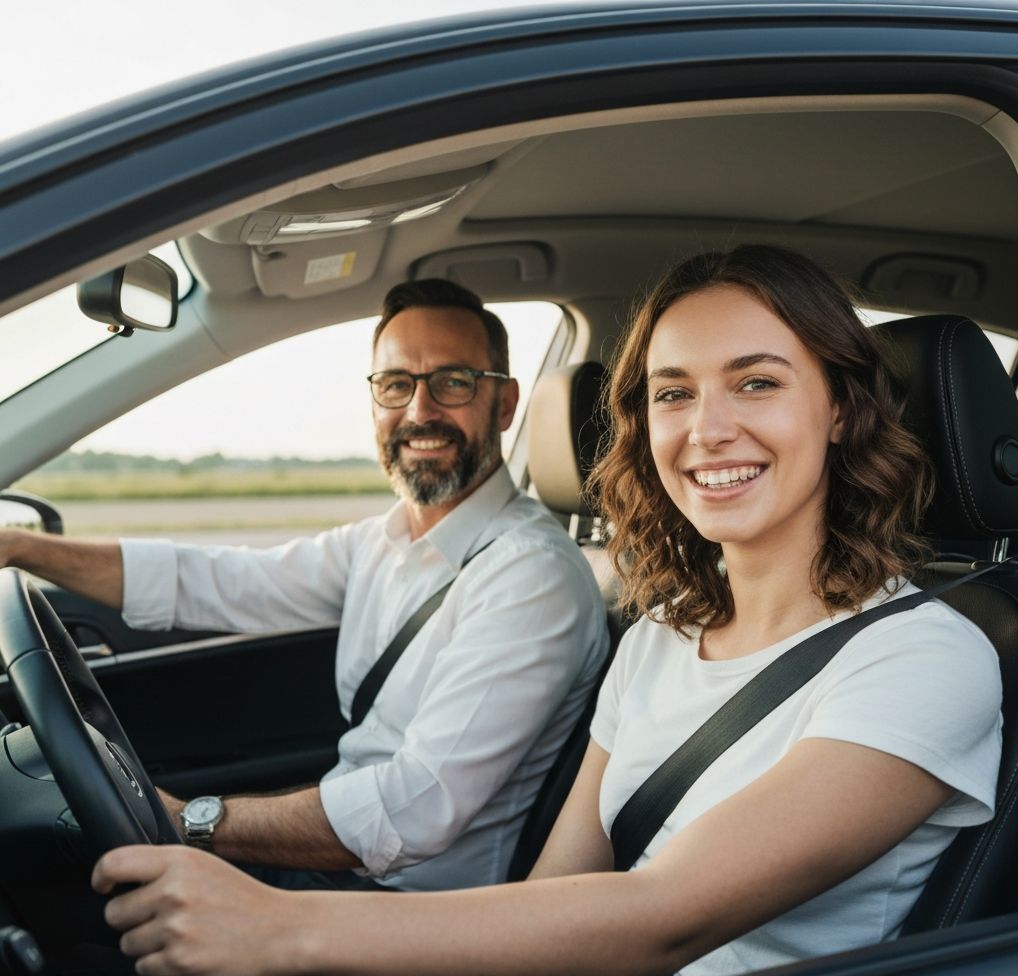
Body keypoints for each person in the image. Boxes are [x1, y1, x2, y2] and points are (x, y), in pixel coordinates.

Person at [83, 245, 1002, 976]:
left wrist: (282, 926)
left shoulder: (925, 660)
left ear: (839, 407)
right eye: (673, 394)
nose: (708, 429)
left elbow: (663, 918)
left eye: (756, 383)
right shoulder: (662, 638)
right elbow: (552, 904)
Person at [0, 278, 609, 899]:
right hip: (339, 870)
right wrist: (22, 548)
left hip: (403, 912)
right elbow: (215, 580)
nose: (419, 411)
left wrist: (189, 823)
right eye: (395, 384)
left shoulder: (531, 577)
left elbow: (414, 810)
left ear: (504, 405)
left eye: (453, 382)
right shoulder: (383, 541)